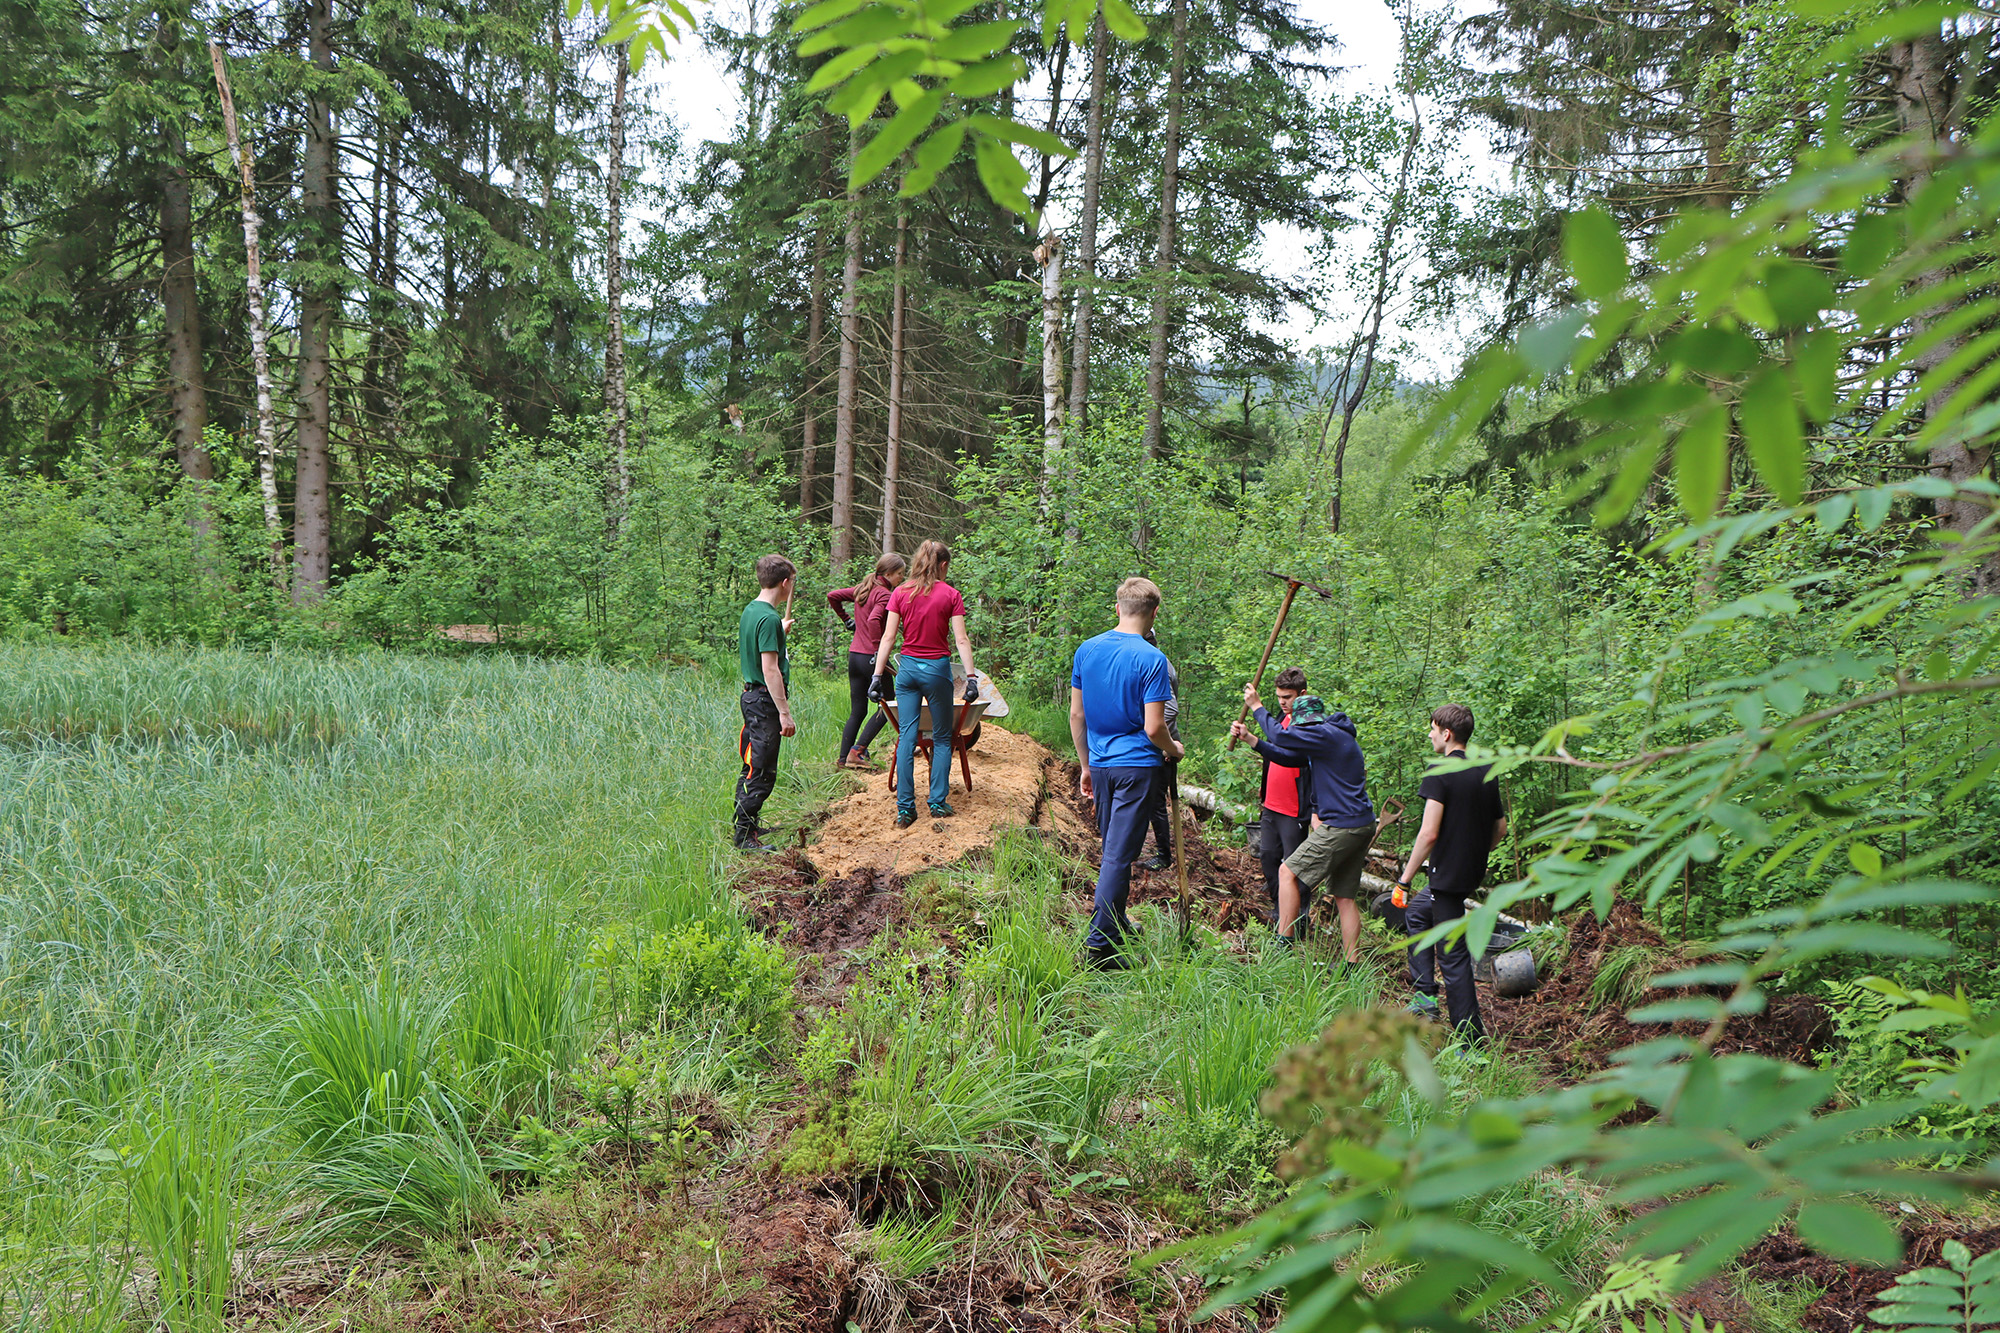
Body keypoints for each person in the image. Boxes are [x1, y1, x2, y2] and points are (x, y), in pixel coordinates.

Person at [1069, 577, 1182, 970]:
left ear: (1118, 608)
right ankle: (1100, 948)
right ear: (1153, 614)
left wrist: (1085, 765)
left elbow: (1077, 715)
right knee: (1118, 856)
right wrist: (1175, 748)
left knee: (1113, 853)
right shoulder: (1152, 659)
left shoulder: (1087, 650)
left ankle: (1115, 925)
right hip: (1137, 766)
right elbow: (1155, 728)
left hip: (1100, 765)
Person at [1230, 686, 1374, 962]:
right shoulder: (1330, 739)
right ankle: (1351, 965)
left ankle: (1282, 944)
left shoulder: (1325, 734)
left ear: (1310, 722)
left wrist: (1258, 706)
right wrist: (1251, 740)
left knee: (1287, 872)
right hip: (1360, 823)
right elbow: (1286, 755)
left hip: (1342, 825)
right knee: (1344, 897)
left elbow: (1281, 735)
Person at [1395, 703, 1506, 1040]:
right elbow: (1499, 828)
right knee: (1417, 913)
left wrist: (1404, 878)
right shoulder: (1485, 767)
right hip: (1469, 873)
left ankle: (1471, 1039)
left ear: (1447, 733)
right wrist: (1474, 852)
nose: (1429, 734)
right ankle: (1425, 997)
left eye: (1432, 729)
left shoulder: (1439, 770)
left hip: (1447, 877)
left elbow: (1428, 833)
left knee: (1453, 958)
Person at [869, 540, 978, 827]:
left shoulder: (900, 592)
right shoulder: (951, 594)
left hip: (907, 672)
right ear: (943, 565)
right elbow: (961, 640)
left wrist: (877, 676)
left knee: (906, 737)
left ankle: (905, 809)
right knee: (942, 738)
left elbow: (889, 638)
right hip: (936, 671)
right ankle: (937, 803)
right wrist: (972, 677)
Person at [734, 553, 797, 853]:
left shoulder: (752, 611)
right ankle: (745, 838)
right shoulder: (769, 618)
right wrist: (784, 713)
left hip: (751, 697)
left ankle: (748, 826)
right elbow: (770, 669)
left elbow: (762, 641)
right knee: (761, 771)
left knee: (751, 764)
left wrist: (779, 633)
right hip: (764, 701)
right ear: (784, 583)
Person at [1245, 666, 1313, 925]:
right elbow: (1275, 752)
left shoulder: (1305, 723)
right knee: (1268, 857)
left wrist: (1256, 707)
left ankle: (1300, 917)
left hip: (1294, 808)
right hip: (1272, 805)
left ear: (1302, 694)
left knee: (1296, 865)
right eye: (1279, 697)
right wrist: (1250, 738)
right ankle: (1279, 907)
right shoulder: (1283, 719)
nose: (1283, 702)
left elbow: (1282, 743)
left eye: (1288, 697)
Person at [828, 552, 908, 771]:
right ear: (889, 573)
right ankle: (858, 751)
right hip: (871, 659)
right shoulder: (883, 594)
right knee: (891, 706)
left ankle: (844, 758)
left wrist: (847, 620)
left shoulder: (863, 589)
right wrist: (876, 650)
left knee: (858, 710)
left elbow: (833, 595)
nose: (902, 578)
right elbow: (874, 620)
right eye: (900, 574)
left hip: (854, 657)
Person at [1138, 627, 1181, 872]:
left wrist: (1164, 745)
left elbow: (1170, 710)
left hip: (1163, 746)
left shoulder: (1159, 665)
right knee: (1152, 799)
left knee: (1156, 801)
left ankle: (1164, 856)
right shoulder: (1153, 662)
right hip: (1161, 742)